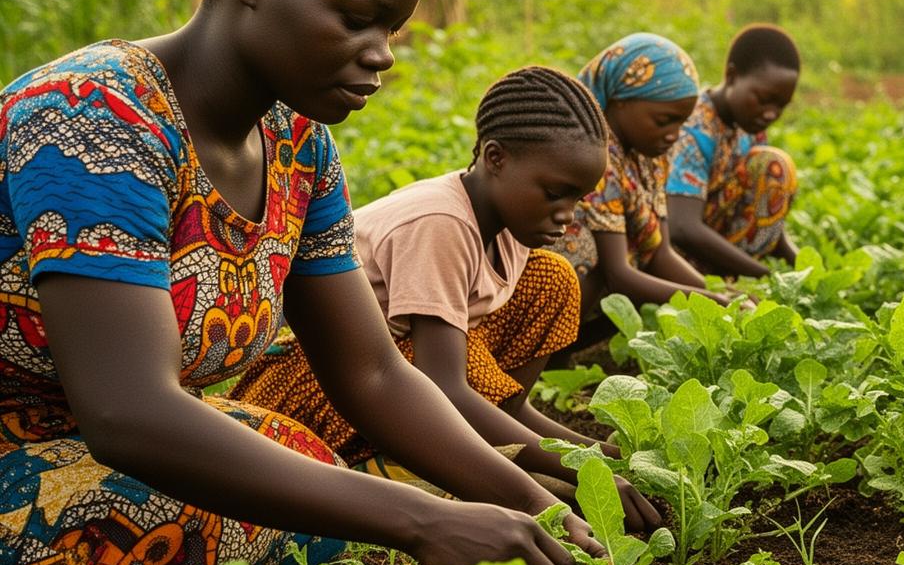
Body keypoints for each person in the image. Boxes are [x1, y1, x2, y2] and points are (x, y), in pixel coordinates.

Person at [0, 0, 593, 565]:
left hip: (85, 450)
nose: (382, 55)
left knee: (301, 471)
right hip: (44, 448)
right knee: (204, 522)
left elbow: (374, 375)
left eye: (392, 29)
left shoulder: (298, 143)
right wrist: (420, 519)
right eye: (357, 18)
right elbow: (126, 410)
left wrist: (535, 504)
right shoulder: (97, 118)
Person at [234, 67, 659, 532]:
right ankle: (402, 468)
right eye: (556, 193)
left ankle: (483, 462)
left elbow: (508, 403)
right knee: (460, 358)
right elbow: (445, 384)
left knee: (552, 279)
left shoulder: (514, 226)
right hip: (321, 386)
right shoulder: (441, 222)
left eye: (578, 198)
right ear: (495, 158)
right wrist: (582, 469)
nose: (567, 215)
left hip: (401, 383)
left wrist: (602, 459)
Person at [553, 32, 724, 346]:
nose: (673, 134)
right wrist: (715, 303)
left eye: (681, 123)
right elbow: (618, 274)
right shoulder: (593, 152)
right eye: (663, 121)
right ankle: (552, 350)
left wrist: (719, 296)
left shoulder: (648, 157)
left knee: (641, 256)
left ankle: (568, 347)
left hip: (605, 287)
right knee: (588, 249)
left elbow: (661, 253)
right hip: (546, 290)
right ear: (620, 100)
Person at [666, 24, 802, 278]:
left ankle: (733, 277)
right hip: (674, 258)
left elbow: (762, 213)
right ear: (731, 76)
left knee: (774, 170)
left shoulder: (749, 126)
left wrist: (804, 271)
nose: (771, 113)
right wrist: (764, 275)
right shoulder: (695, 128)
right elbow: (681, 227)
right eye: (763, 99)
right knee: (775, 165)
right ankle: (726, 280)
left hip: (721, 251)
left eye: (781, 105)